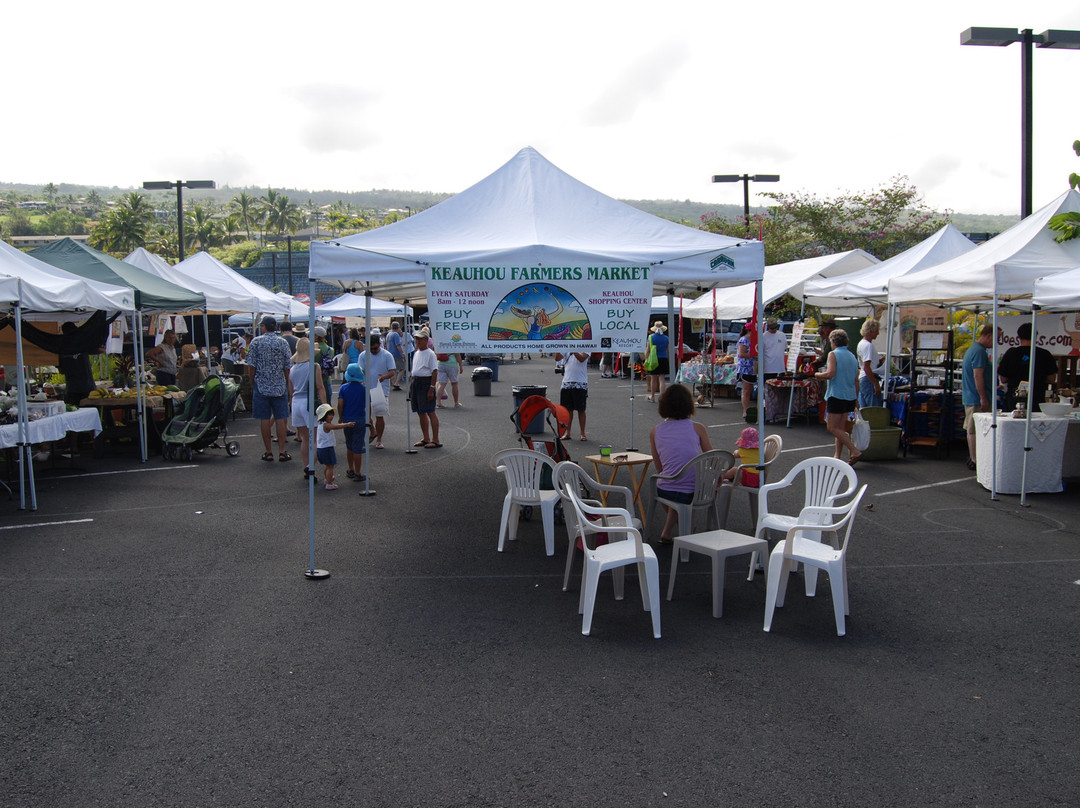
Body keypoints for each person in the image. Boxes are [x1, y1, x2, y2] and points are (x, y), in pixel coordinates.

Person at [649, 384, 713, 544]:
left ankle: (670, 530)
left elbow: (660, 468)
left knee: (670, 483)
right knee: (681, 490)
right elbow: (713, 458)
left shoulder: (655, 431)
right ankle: (681, 528)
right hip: (697, 491)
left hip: (667, 490)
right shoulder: (698, 428)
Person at [246, 316, 293, 462]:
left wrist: (252, 381)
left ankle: (268, 451)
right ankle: (282, 451)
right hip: (279, 386)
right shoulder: (282, 342)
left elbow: (251, 366)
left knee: (264, 419)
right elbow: (287, 367)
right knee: (280, 418)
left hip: (262, 385)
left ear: (264, 327)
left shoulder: (256, 342)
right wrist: (287, 384)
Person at [815, 328, 861, 465]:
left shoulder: (833, 354)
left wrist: (817, 375)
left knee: (832, 427)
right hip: (850, 394)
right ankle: (837, 456)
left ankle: (854, 450)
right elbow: (856, 379)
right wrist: (856, 398)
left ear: (833, 341)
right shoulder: (852, 356)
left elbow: (830, 374)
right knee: (840, 428)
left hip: (837, 394)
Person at [998, 321, 1057, 410]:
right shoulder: (1044, 354)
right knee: (1035, 422)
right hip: (1036, 396)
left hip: (1015, 397)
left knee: (1014, 422)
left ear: (1018, 337)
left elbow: (1003, 379)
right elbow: (1052, 379)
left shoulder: (1011, 353)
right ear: (1036, 336)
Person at [289, 337, 325, 477]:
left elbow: (291, 391)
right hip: (309, 402)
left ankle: (308, 468)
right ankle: (310, 467)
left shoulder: (292, 369)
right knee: (316, 439)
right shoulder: (314, 366)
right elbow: (320, 388)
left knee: (304, 438)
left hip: (296, 403)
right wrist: (325, 406)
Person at [961, 325, 995, 471]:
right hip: (976, 397)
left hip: (972, 395)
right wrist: (983, 397)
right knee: (974, 429)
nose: (996, 343)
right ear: (988, 336)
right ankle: (975, 459)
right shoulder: (979, 352)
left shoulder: (975, 350)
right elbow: (977, 375)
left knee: (973, 428)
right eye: (996, 338)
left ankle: (975, 457)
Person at [359, 332, 396, 449]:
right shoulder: (363, 355)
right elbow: (360, 370)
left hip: (381, 389)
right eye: (371, 349)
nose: (373, 351)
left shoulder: (387, 355)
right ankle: (372, 430)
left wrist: (384, 377)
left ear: (380, 344)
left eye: (375, 348)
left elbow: (392, 371)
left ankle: (379, 439)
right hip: (366, 387)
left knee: (379, 415)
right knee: (364, 413)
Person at [410, 327, 441, 448]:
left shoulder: (430, 354)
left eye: (420, 339)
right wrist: (412, 384)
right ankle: (426, 438)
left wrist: (431, 388)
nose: (417, 341)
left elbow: (434, 371)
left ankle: (436, 439)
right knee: (420, 411)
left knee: (430, 411)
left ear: (426, 340)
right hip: (417, 382)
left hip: (425, 382)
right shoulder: (417, 352)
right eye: (416, 339)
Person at [336, 363, 368, 482]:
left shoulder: (343, 388)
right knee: (358, 447)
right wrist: (369, 419)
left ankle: (350, 469)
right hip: (360, 418)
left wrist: (340, 417)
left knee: (349, 445)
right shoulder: (364, 389)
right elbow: (367, 405)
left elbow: (340, 404)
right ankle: (358, 472)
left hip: (347, 418)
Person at [58, 321, 102, 406]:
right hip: (86, 387)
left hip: (72, 388)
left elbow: (61, 370)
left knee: (74, 413)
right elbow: (101, 350)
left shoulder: (61, 349)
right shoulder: (82, 344)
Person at [314, 403, 353, 491]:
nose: (331, 417)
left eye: (332, 414)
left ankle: (327, 479)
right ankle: (329, 483)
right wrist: (347, 424)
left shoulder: (320, 424)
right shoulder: (326, 425)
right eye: (329, 415)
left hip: (321, 448)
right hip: (327, 448)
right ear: (323, 416)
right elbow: (335, 427)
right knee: (331, 466)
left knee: (327, 466)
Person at [555, 350, 589, 441]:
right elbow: (557, 358)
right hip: (566, 382)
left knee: (581, 409)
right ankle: (568, 432)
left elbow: (581, 359)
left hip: (580, 382)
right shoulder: (567, 347)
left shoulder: (586, 346)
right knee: (567, 410)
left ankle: (582, 433)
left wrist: (573, 348)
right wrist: (559, 346)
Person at [857, 319, 884, 407]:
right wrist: (875, 383)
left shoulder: (861, 343)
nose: (878, 333)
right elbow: (866, 367)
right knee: (873, 409)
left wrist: (879, 361)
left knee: (864, 410)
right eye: (877, 331)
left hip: (863, 378)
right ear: (871, 331)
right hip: (868, 378)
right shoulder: (868, 345)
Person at [735, 324, 756, 418]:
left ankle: (749, 410)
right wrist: (754, 355)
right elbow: (741, 354)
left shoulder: (756, 340)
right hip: (745, 368)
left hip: (754, 368)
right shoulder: (744, 340)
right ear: (749, 331)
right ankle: (745, 410)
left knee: (750, 390)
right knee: (746, 391)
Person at [645, 321, 669, 403]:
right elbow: (668, 350)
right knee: (662, 379)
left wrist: (646, 359)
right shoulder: (666, 338)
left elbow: (647, 350)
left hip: (653, 359)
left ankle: (652, 397)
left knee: (653, 378)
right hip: (663, 358)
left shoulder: (651, 337)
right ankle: (662, 398)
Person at [313, 326, 334, 404]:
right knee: (327, 404)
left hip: (315, 380)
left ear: (316, 336)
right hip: (327, 378)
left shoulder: (313, 349)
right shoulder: (330, 349)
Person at [386, 321, 406, 390]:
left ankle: (394, 382)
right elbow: (398, 345)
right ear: (398, 328)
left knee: (392, 369)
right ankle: (396, 382)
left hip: (390, 353)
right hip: (396, 354)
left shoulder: (388, 334)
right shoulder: (396, 335)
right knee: (402, 368)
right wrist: (403, 353)